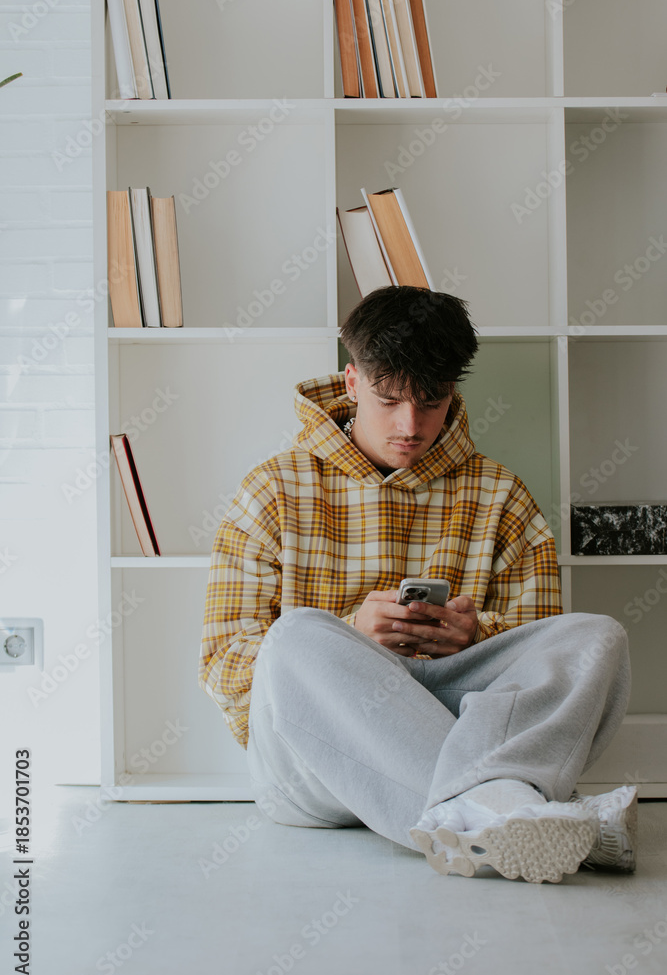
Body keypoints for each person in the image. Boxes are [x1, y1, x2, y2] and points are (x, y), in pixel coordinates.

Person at [199, 285, 636, 884]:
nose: (411, 425)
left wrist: (474, 636)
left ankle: (488, 814)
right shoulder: (271, 491)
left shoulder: (501, 496)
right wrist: (351, 637)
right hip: (314, 773)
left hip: (456, 720)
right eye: (389, 400)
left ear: (454, 391)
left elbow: (537, 659)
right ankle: (518, 809)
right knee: (297, 635)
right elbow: (226, 666)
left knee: (596, 637)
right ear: (353, 383)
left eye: (431, 402)